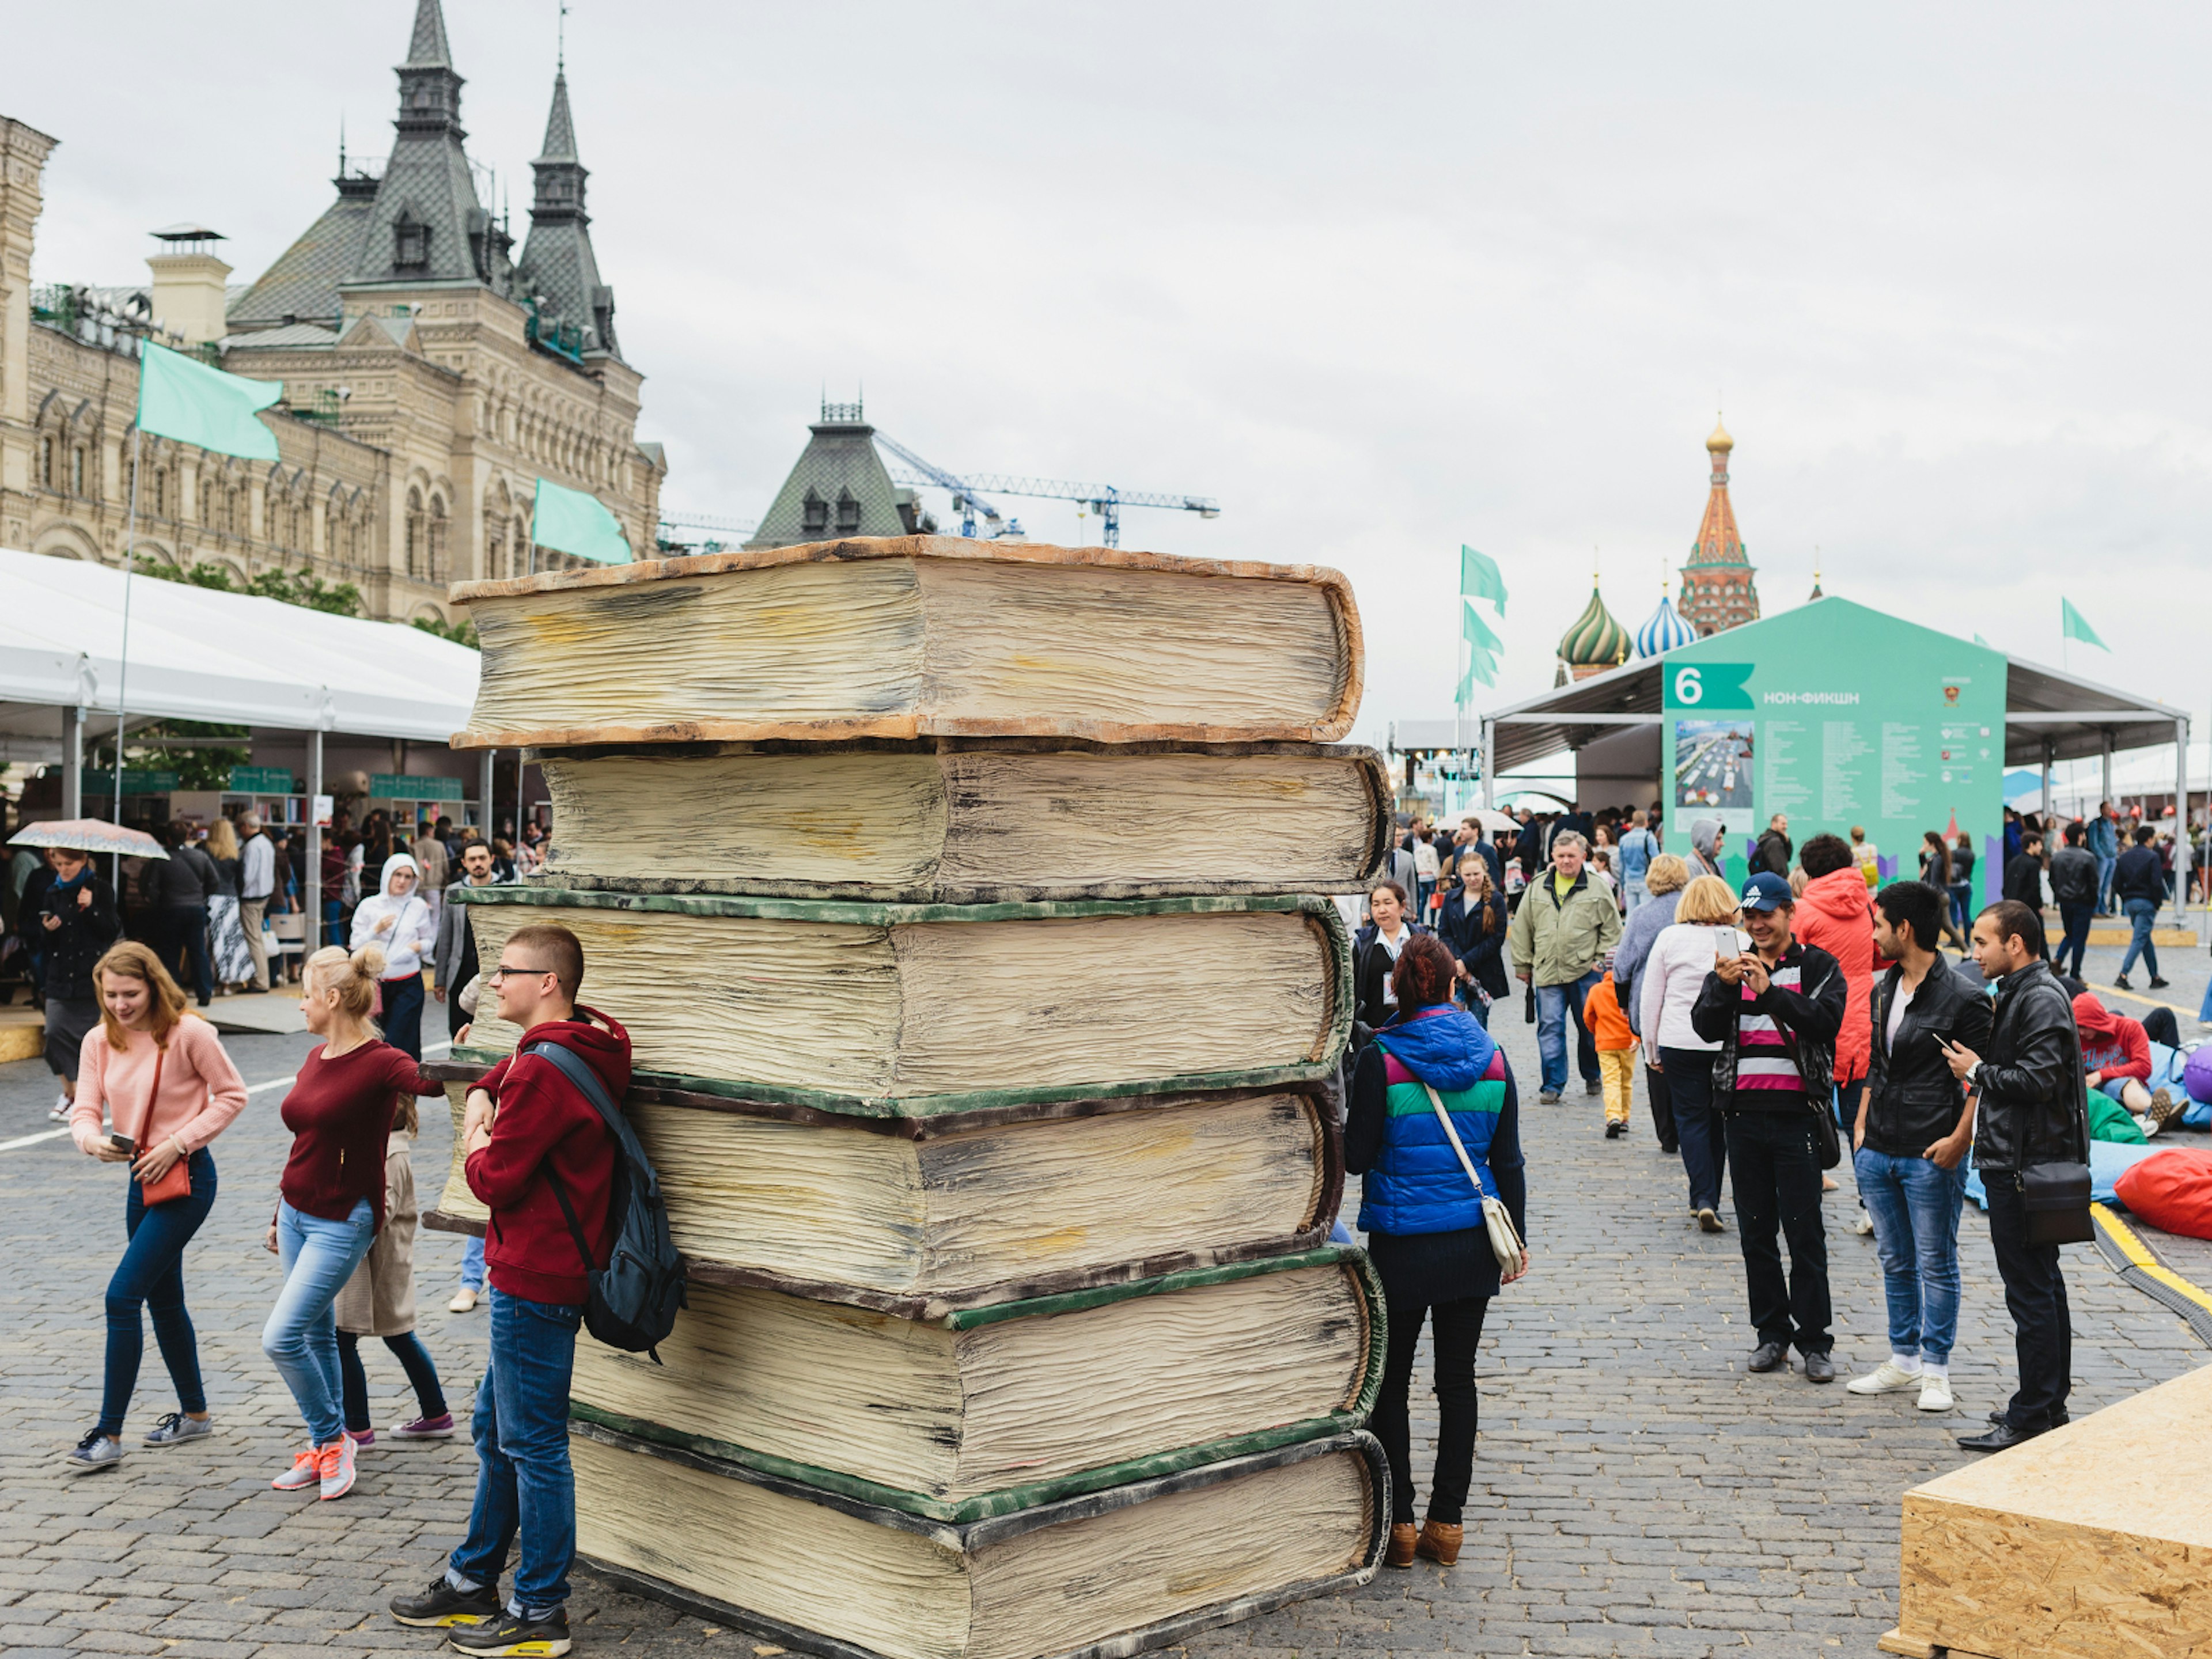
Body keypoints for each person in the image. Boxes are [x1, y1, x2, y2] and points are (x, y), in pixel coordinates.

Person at [389, 924, 634, 1654]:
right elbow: (520, 1066)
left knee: (533, 1446)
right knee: (500, 1432)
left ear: (547, 983)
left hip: (533, 1275)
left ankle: (539, 1613)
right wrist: (481, 1095)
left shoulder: (540, 1072)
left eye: (507, 972)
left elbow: (493, 1181)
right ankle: (472, 1581)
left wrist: (475, 1135)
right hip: (557, 1270)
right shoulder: (590, 1042)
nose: (494, 982)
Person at [1343, 934, 1525, 1571]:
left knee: (1390, 1385)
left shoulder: (1382, 1060)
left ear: (1398, 989)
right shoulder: (1495, 1058)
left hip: (1401, 1248)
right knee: (1457, 1381)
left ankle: (1400, 1525)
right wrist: (1517, 1239)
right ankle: (1449, 1524)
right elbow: (1508, 1162)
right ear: (1451, 986)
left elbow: (1356, 1158)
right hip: (1473, 1246)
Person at [262, 944, 446, 1501]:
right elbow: (306, 1141)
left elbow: (433, 1084)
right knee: (315, 1335)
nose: (300, 1005)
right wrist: (279, 1213)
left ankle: (332, 1440)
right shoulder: (316, 1058)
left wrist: (476, 1044)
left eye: (306, 994)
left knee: (280, 1337)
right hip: (297, 1211)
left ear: (334, 999)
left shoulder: (380, 1060)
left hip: (344, 1219)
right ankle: (328, 1444)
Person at [62, 942, 248, 1472]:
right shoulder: (100, 1039)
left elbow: (233, 1095)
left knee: (123, 1297)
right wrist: (88, 1139)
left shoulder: (190, 1033)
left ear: (154, 986)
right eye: (110, 994)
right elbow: (85, 1107)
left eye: (131, 994)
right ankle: (195, 1414)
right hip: (139, 1176)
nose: (120, 1004)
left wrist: (179, 1142)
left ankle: (108, 1434)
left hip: (187, 1178)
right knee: (164, 1300)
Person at [1944, 900, 2092, 1451]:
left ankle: (2033, 1412)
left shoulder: (2038, 997)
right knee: (2042, 1287)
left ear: (2016, 943)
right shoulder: (2025, 992)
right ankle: (2045, 1402)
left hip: (2024, 1167)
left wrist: (1976, 1070)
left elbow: (2037, 1080)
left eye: (1982, 942)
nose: (1973, 952)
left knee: (2031, 1291)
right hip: (2023, 1160)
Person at [1690, 872, 1846, 1381]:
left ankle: (1815, 1341)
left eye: (1767, 914)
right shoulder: (1732, 968)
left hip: (1797, 1118)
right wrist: (1721, 986)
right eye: (1749, 916)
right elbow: (1704, 1028)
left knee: (1806, 1234)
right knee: (1756, 1233)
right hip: (1742, 1116)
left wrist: (1771, 992)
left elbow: (1825, 1023)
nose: (1757, 925)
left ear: (1789, 914)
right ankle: (1771, 1334)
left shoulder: (1818, 966)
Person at [1846, 882, 1990, 1415]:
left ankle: (1936, 1369)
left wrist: (1960, 1139)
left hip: (1932, 1150)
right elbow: (1875, 1066)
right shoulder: (1883, 988)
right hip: (1878, 1146)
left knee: (1936, 1261)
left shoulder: (1965, 997)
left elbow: (1981, 1080)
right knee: (1894, 1259)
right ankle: (1903, 1359)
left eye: (1879, 924)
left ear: (1904, 929)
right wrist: (1861, 1130)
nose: (1874, 933)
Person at [334, 1075, 454, 1445]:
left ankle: (357, 1426)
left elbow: (378, 1211)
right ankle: (435, 1413)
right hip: (378, 1260)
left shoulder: (389, 1155)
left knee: (344, 1339)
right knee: (398, 1337)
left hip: (375, 1262)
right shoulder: (386, 1148)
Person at [1639, 874, 1745, 1229]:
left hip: (1678, 1041)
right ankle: (1708, 1195)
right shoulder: (1739, 940)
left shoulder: (1670, 938)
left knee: (1691, 1120)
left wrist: (1650, 1048)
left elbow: (1652, 997)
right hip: (1726, 1044)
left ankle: (1702, 1196)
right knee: (1720, 1121)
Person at [435, 841, 503, 1310]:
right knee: (478, 1175)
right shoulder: (487, 985)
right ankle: (471, 1279)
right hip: (488, 1084)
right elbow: (466, 999)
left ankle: (490, 1279)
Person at [1505, 831, 1620, 1104]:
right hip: (1547, 971)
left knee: (1590, 1028)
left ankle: (1592, 1075)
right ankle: (1553, 1084)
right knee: (1550, 1028)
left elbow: (1612, 929)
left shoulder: (1597, 887)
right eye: (1561, 856)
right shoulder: (1537, 886)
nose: (1566, 861)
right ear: (1553, 857)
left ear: (1583, 856)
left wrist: (1601, 961)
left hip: (1586, 972)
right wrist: (1523, 964)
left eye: (1572, 856)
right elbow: (1522, 928)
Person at [1615, 853, 1691, 1155]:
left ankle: (1667, 1134)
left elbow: (1622, 966)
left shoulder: (1642, 915)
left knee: (1656, 1065)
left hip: (1649, 1001)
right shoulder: (1691, 910)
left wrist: (1623, 1003)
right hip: (1687, 1002)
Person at [40, 848, 122, 1121]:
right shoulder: (53, 892)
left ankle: (83, 1098)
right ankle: (70, 1091)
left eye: (69, 864)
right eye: (59, 864)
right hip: (60, 975)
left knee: (90, 1040)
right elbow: (43, 937)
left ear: (84, 860)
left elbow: (110, 931)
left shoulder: (100, 889)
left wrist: (91, 909)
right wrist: (47, 929)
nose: (63, 869)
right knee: (53, 1033)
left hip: (91, 974)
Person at [351, 854, 437, 1060]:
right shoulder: (369, 906)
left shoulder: (417, 906)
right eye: (398, 875)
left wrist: (416, 948)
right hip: (375, 985)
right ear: (388, 874)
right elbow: (355, 945)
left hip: (408, 982)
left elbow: (429, 942)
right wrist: (376, 929)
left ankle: (406, 1092)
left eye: (408, 877)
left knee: (402, 1042)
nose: (402, 881)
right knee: (374, 1042)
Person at [2070, 993, 2183, 1136]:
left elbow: (2144, 1066)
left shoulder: (2130, 1028)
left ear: (2096, 1021)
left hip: (2127, 1087)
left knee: (2126, 1084)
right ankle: (2155, 1118)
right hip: (2091, 1094)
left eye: (2084, 1027)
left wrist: (2102, 1075)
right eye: (2078, 1027)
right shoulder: (2075, 1038)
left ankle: (2154, 1112)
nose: (2081, 1032)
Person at [1433, 855, 1508, 1027]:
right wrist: (1459, 964)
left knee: (1477, 1026)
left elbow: (1496, 939)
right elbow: (1444, 932)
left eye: (1476, 874)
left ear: (1484, 872)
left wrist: (1467, 962)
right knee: (1452, 1024)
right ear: (1460, 874)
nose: (1473, 879)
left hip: (1483, 973)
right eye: (1468, 875)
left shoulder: (1496, 900)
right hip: (1456, 972)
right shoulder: (1452, 897)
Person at [154, 823, 219, 1008]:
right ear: (187, 835)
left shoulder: (161, 859)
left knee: (170, 953)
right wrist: (200, 895)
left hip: (170, 908)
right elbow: (214, 882)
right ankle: (205, 992)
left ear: (167, 838)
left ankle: (173, 994)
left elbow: (150, 886)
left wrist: (156, 902)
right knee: (198, 951)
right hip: (196, 908)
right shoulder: (200, 856)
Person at [1353, 881, 1427, 1037]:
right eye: (1376, 904)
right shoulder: (1363, 943)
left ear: (1402, 906)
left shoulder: (1421, 940)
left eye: (1388, 903)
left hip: (1416, 1027)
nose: (1382, 910)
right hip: (1375, 1030)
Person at [2112, 825, 2169, 990]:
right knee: (2139, 939)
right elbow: (2157, 883)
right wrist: (2157, 904)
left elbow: (2116, 882)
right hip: (2146, 902)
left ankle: (2155, 976)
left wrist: (2125, 897)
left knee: (2144, 938)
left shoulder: (2125, 857)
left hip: (2130, 903)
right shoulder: (2153, 857)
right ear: (2150, 839)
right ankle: (2123, 975)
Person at [1582, 970, 1637, 1138]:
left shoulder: (1597, 990)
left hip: (1605, 1043)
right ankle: (1625, 1117)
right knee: (1626, 1081)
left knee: (1611, 1080)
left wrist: (1596, 1032)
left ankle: (1614, 1116)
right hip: (1628, 1043)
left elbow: (1588, 1016)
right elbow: (1637, 1014)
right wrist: (1636, 1036)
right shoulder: (1631, 989)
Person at [202, 817, 253, 993]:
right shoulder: (236, 853)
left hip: (211, 898)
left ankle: (210, 982)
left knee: (212, 942)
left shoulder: (204, 850)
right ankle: (228, 982)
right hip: (231, 899)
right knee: (230, 941)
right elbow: (241, 880)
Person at [2048, 823, 2099, 980]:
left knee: (2070, 934)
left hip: (2065, 901)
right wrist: (2093, 902)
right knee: (2079, 939)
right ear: (2080, 836)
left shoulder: (2057, 857)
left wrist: (2059, 894)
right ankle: (2075, 973)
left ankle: (2058, 959)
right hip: (2083, 902)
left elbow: (2052, 880)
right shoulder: (2088, 857)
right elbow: (2094, 883)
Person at [239, 810, 277, 994]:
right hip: (264, 895)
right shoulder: (267, 843)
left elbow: (248, 875)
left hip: (251, 897)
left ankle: (261, 980)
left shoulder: (252, 847)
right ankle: (263, 978)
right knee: (257, 937)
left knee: (254, 939)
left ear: (245, 827)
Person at [1918, 832, 1968, 952]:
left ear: (1931, 843)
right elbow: (1925, 869)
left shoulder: (1937, 859)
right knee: (1946, 926)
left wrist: (1929, 897)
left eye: (1925, 843)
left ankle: (1966, 951)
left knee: (1937, 926)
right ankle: (1966, 951)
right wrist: (1921, 855)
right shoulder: (1936, 857)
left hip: (1938, 896)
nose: (1924, 845)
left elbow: (1933, 880)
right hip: (1940, 895)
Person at [1616, 810, 1658, 914]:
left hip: (1629, 880)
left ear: (1633, 823)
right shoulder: (1649, 838)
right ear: (1646, 822)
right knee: (1646, 914)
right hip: (1645, 880)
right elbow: (1656, 861)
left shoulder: (1624, 839)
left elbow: (1621, 864)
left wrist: (1623, 882)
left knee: (1631, 914)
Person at [2088, 802, 2120, 914]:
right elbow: (2093, 843)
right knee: (2099, 885)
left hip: (2111, 858)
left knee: (2106, 886)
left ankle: (2103, 909)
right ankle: (2095, 909)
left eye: (2111, 809)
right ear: (2102, 810)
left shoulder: (2111, 824)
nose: (2110, 811)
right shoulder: (2096, 824)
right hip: (2102, 859)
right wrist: (2101, 856)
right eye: (2108, 809)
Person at [2002, 829, 2045, 911]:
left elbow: (2006, 884)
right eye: (2039, 845)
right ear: (2032, 845)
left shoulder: (2013, 861)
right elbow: (2035, 888)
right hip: (2027, 906)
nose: (2041, 848)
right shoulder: (2034, 864)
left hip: (2010, 904)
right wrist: (2039, 905)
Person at [1949, 832, 1977, 937]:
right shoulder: (1971, 854)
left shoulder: (1955, 853)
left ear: (1960, 840)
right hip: (1967, 884)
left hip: (1954, 885)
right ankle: (1967, 939)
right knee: (1966, 914)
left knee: (1954, 913)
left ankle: (1955, 939)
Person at [1687, 816, 1726, 881]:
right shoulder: (1691, 866)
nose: (1723, 844)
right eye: (1718, 839)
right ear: (1705, 840)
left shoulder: (1711, 863)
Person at [1754, 814, 1792, 879]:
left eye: (1786, 824)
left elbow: (1787, 858)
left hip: (1766, 881)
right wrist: (1786, 884)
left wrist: (1787, 842)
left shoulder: (1766, 839)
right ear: (1774, 824)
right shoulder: (1775, 843)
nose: (1786, 827)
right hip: (1776, 884)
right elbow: (1780, 869)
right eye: (1783, 824)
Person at [1849, 826, 1881, 890]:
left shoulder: (1852, 852)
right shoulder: (1873, 848)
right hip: (1873, 888)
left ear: (1852, 838)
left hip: (1859, 889)